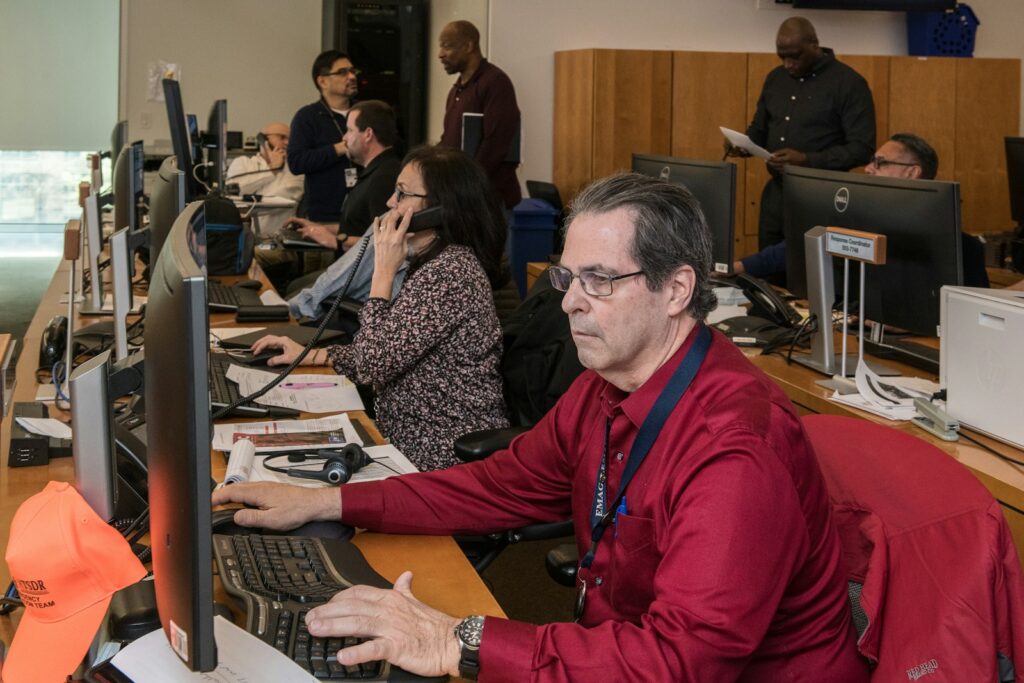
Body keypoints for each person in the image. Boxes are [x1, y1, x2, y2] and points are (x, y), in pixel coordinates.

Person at [214, 173, 868, 682]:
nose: (569, 300)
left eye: (600, 280)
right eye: (568, 275)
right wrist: (327, 500)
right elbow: (498, 484)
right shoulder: (605, 387)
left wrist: (456, 638)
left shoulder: (735, 451)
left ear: (676, 289)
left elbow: (678, 663)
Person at [254, 146, 509, 471]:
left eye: (402, 194)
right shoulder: (430, 263)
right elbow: (384, 348)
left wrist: (383, 273)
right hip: (403, 440)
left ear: (441, 209)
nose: (391, 203)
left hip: (440, 455)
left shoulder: (451, 273)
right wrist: (307, 354)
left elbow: (372, 363)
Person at [734, 132, 990, 288]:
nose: (869, 169)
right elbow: (801, 246)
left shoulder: (956, 245)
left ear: (912, 172)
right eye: (871, 161)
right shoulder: (860, 219)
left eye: (880, 163)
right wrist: (737, 267)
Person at [729, 17, 875, 250]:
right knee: (767, 271)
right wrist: (744, 144)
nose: (788, 64)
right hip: (777, 193)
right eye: (782, 56)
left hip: (822, 197)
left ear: (815, 45)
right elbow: (760, 128)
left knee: (809, 271)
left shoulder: (848, 83)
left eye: (795, 56)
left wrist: (808, 160)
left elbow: (862, 149)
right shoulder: (775, 79)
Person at [286, 100, 404, 313]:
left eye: (349, 130)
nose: (344, 138)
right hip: (352, 274)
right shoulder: (373, 172)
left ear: (367, 134)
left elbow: (385, 244)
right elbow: (363, 226)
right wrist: (319, 228)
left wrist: (337, 241)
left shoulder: (385, 178)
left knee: (294, 293)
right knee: (295, 287)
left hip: (362, 284)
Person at [438, 20, 522, 211]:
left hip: (488, 202)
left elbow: (496, 143)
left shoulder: (495, 82)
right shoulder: (456, 90)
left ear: (469, 45)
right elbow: (449, 141)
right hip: (463, 199)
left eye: (447, 45)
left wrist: (467, 183)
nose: (440, 54)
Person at [289, 50, 359, 224]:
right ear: (322, 81)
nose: (351, 76)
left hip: (363, 214)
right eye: (342, 72)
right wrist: (339, 149)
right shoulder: (308, 117)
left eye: (352, 71)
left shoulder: (365, 112)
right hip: (323, 216)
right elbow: (296, 162)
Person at [225, 122, 304, 238]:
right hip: (242, 240)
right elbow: (233, 191)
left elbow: (282, 202)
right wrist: (271, 170)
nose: (287, 142)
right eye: (282, 137)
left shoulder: (295, 170)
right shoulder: (242, 162)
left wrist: (248, 201)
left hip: (278, 240)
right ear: (263, 140)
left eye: (290, 139)